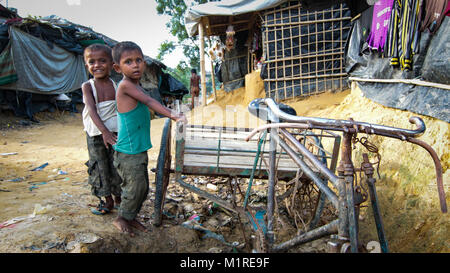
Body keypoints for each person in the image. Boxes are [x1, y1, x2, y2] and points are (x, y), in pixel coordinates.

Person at [111, 41, 187, 236]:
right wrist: (173, 114)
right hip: (128, 152)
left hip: (137, 149)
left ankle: (130, 216)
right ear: (118, 68)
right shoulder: (126, 86)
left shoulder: (137, 85)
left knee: (142, 188)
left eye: (139, 60)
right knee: (136, 187)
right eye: (129, 62)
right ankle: (121, 218)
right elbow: (150, 101)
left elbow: (149, 100)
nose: (135, 64)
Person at [81, 43, 122, 215]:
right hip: (96, 133)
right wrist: (104, 132)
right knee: (99, 166)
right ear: (87, 65)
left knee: (118, 164)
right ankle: (108, 200)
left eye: (102, 61)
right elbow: (91, 109)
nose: (97, 65)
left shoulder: (117, 85)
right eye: (92, 62)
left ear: (112, 64)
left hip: (115, 132)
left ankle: (120, 197)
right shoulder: (88, 86)